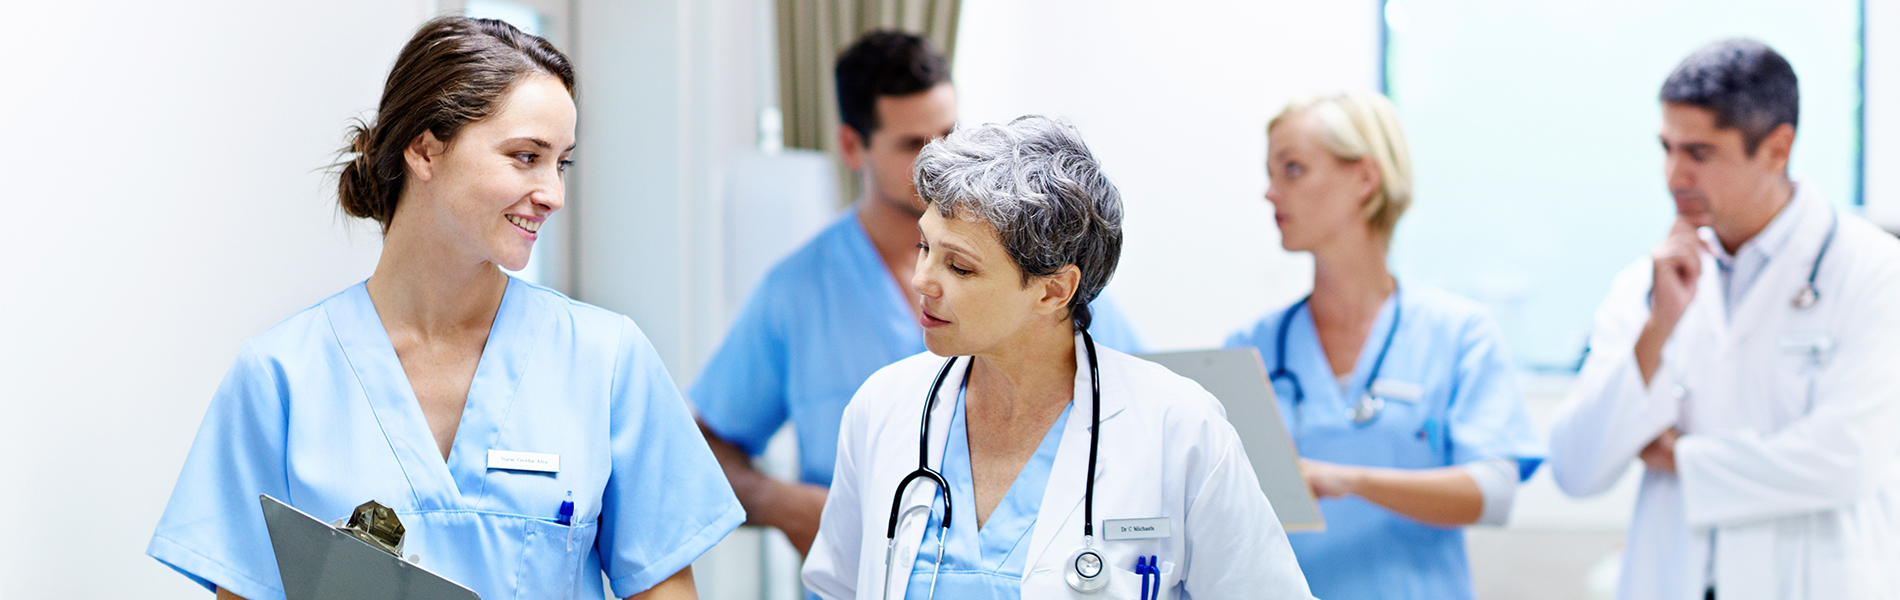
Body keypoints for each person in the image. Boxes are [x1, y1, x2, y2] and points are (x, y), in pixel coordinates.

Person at [146, 17, 742, 600]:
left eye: (561, 163)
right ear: (426, 150)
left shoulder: (608, 362)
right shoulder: (280, 378)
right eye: (525, 156)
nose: (553, 194)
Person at [802, 115, 1312, 599]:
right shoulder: (884, 408)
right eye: (924, 247)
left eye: (959, 266)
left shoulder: (1178, 428)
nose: (922, 280)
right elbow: (835, 588)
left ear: (1054, 291)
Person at [691, 30, 1142, 556]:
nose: (939, 158)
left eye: (949, 132)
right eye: (911, 144)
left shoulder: (1034, 275)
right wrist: (791, 507)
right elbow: (702, 445)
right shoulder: (798, 291)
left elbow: (1141, 416)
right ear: (851, 147)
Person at [1547, 39, 1900, 600]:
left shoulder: (1873, 271)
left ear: (1777, 148)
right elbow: (1575, 468)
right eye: (1666, 148)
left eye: (1700, 154)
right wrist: (1658, 328)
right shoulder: (1647, 283)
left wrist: (1680, 457)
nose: (1673, 175)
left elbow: (1845, 457)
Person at [1225, 91, 1544, 600]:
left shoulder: (1457, 334)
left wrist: (1346, 481)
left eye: (1292, 169)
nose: (1270, 193)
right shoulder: (1253, 348)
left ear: (1365, 179)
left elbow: (1494, 494)